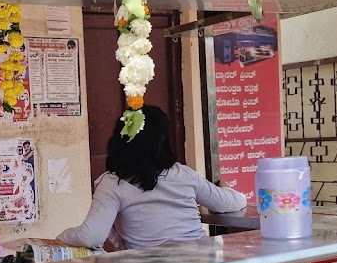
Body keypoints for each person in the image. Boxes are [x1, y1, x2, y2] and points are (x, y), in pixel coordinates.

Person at [57, 105, 247, 250]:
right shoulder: (183, 175)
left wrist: (60, 239)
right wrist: (227, 189)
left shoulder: (113, 183)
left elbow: (91, 236)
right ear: (163, 142)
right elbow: (229, 203)